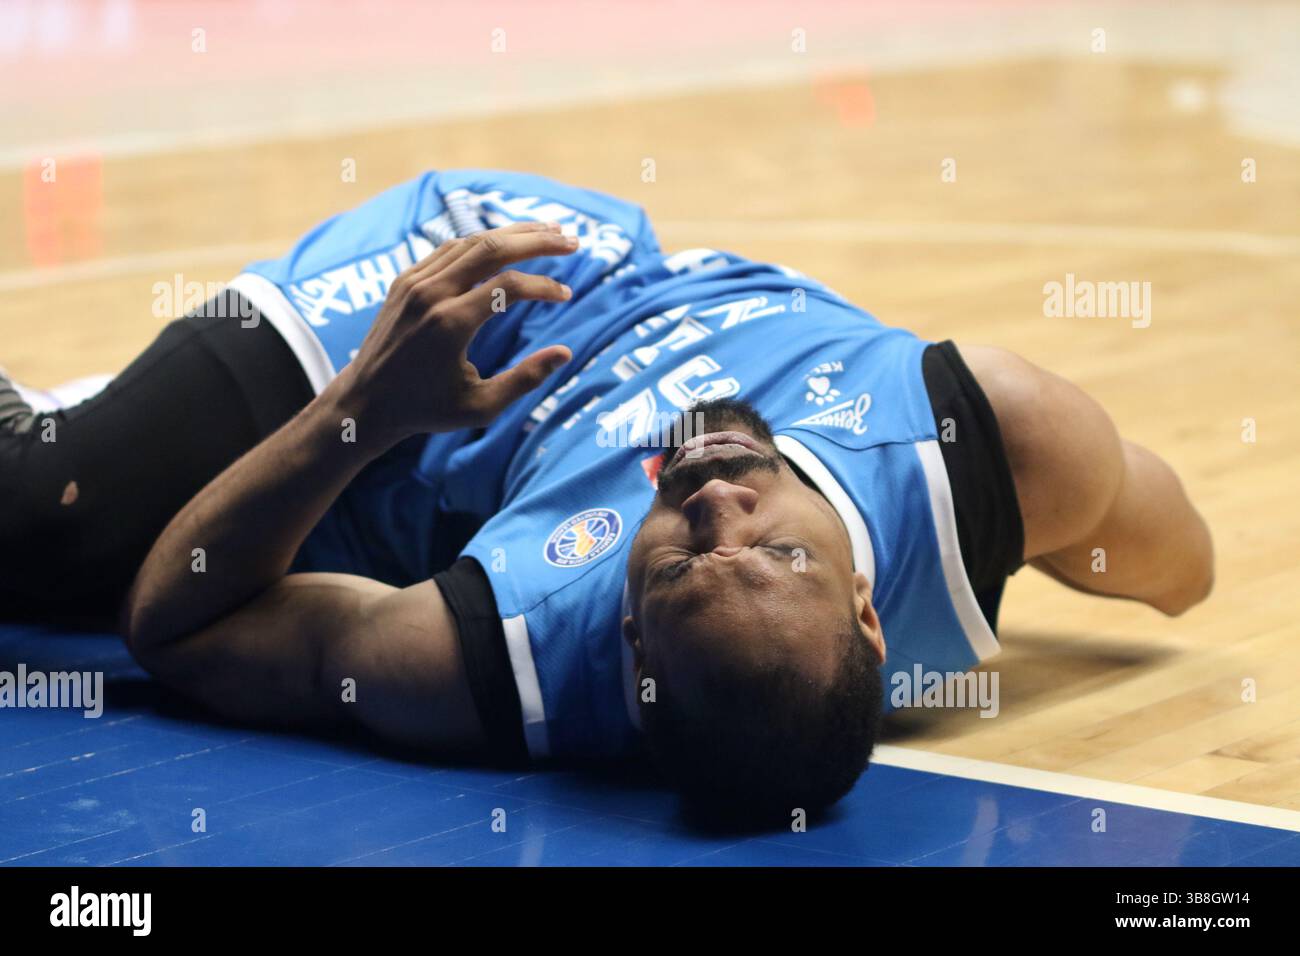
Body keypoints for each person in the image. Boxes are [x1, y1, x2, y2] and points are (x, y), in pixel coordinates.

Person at [0, 170, 1214, 822]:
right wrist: (1102, 550)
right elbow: (1183, 571)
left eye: (679, 563)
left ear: (626, 629)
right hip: (519, 280)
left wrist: (362, 406)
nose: (720, 501)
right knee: (54, 509)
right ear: (866, 609)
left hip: (399, 403)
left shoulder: (524, 649)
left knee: (66, 580)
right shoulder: (990, 440)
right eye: (780, 556)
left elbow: (183, 622)